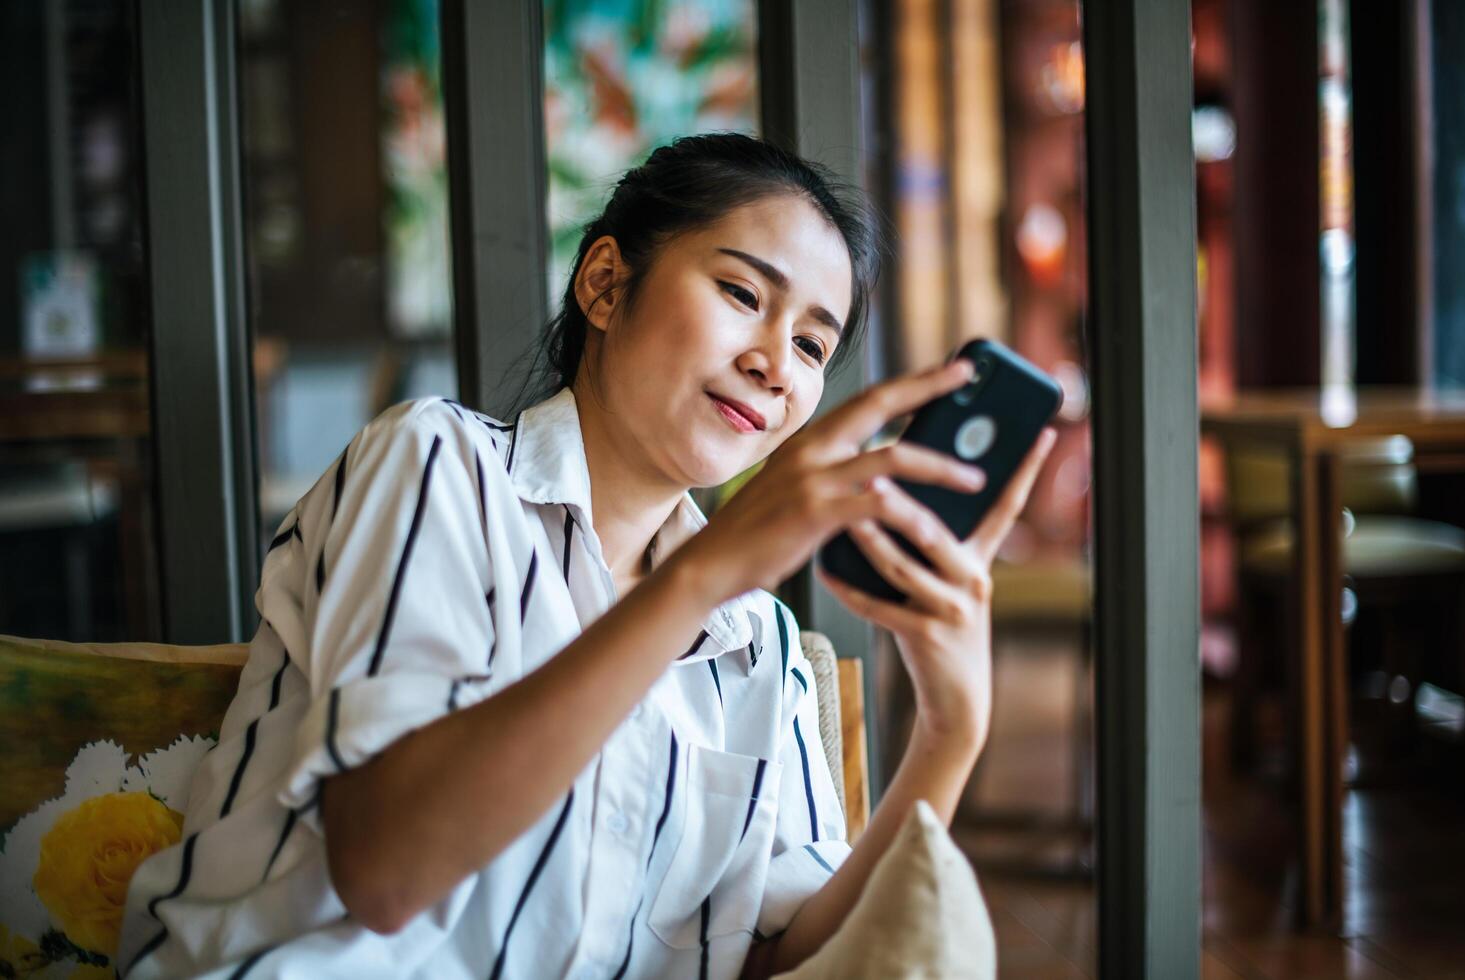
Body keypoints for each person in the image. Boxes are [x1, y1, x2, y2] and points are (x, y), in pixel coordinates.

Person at [118, 133, 1054, 979]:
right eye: (740, 294)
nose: (777, 363)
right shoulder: (436, 464)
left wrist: (949, 732)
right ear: (605, 283)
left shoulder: (758, 644)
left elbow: (783, 954)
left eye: (813, 344)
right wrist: (707, 573)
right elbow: (385, 872)